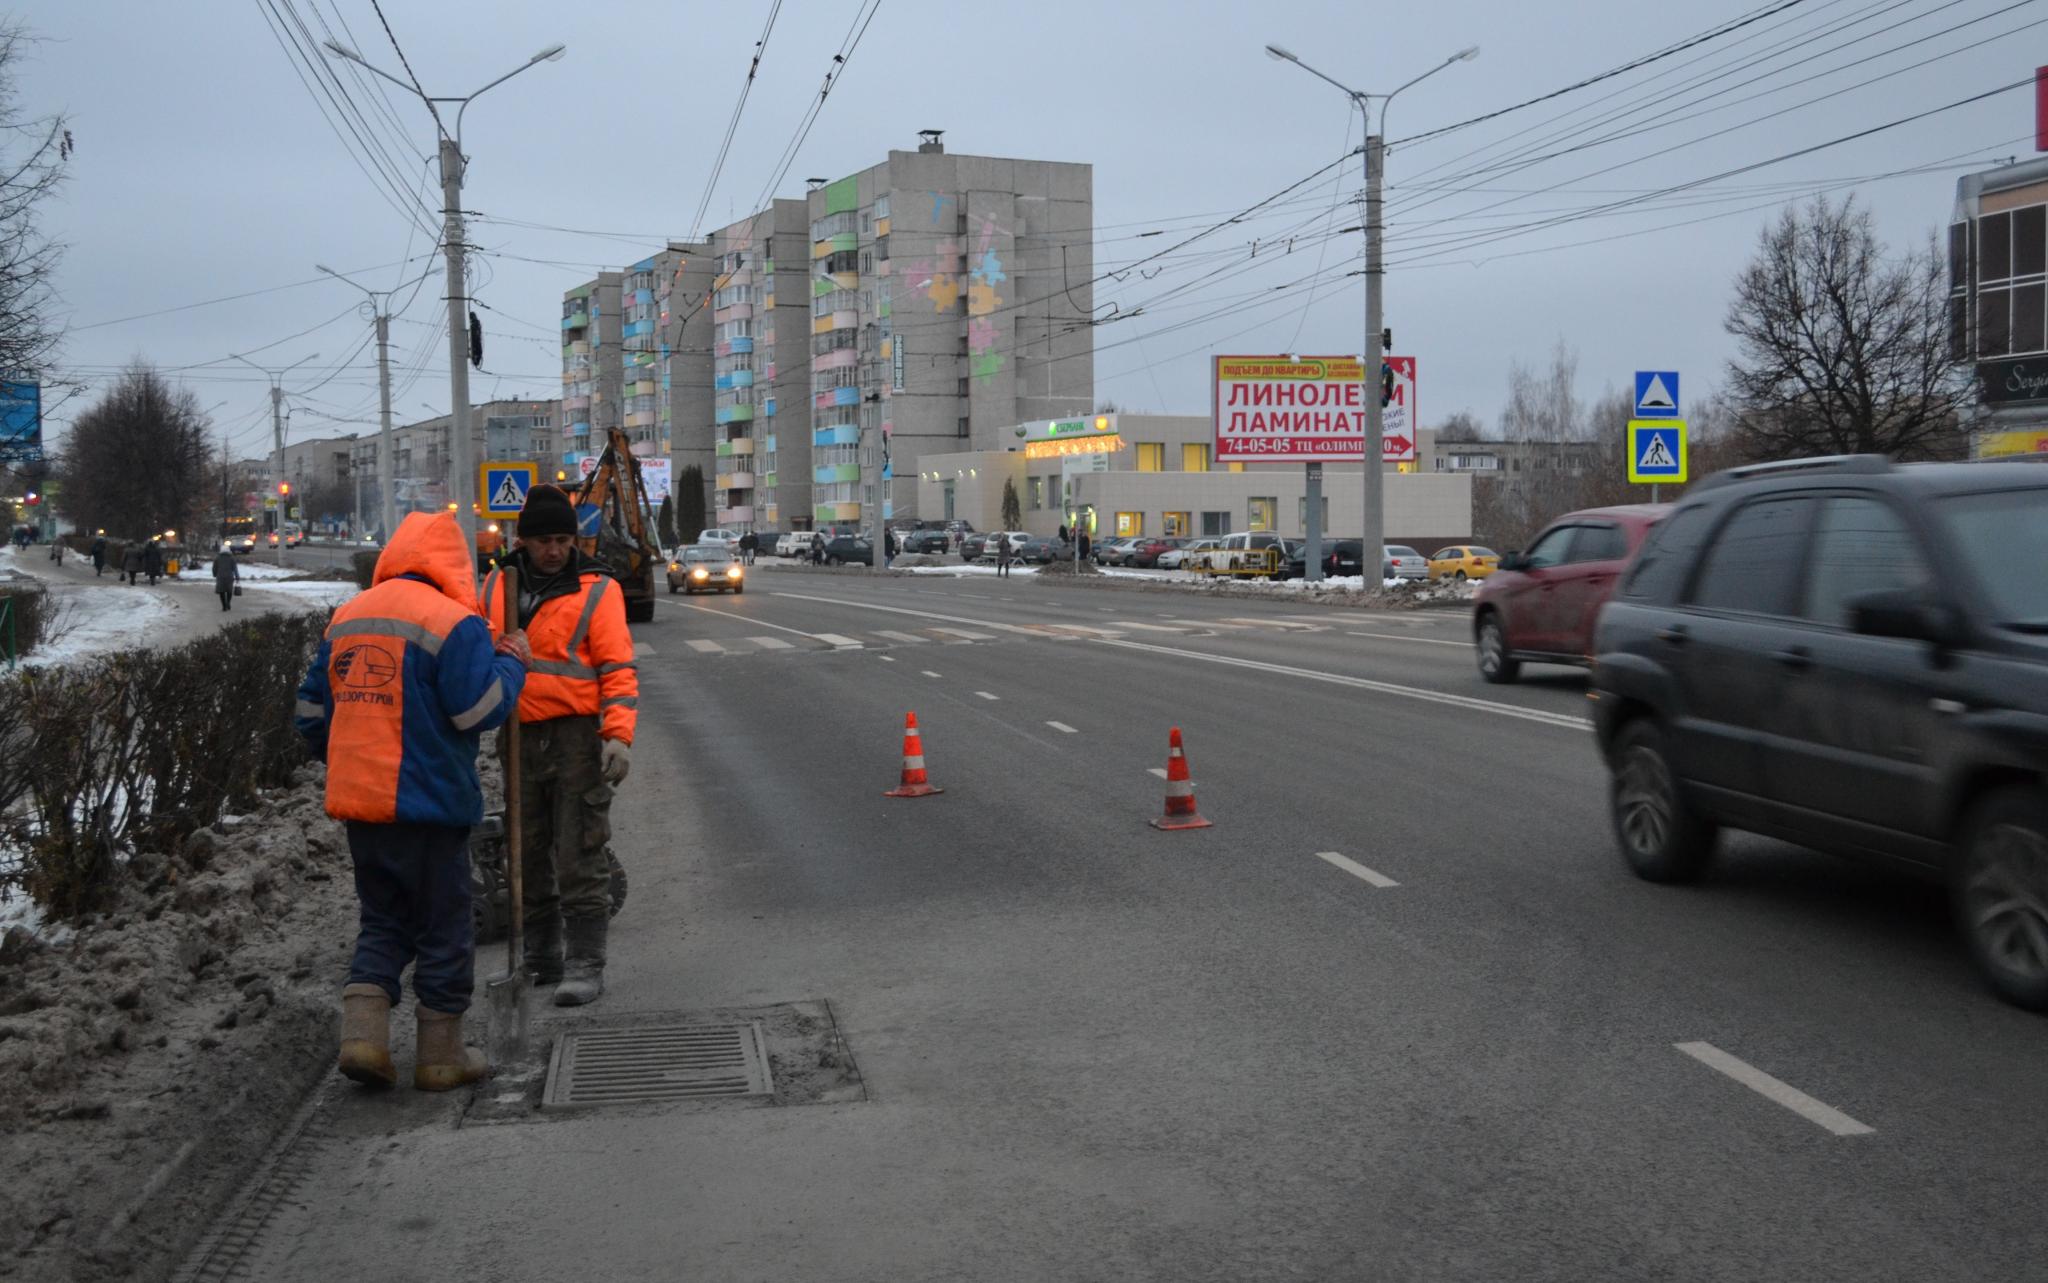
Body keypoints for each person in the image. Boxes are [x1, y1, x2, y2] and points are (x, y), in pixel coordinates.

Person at [294, 511, 529, 1091]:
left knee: (383, 918)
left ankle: (363, 1038)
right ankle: (441, 1056)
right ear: (454, 564)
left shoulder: (349, 616)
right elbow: (476, 710)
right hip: (431, 805)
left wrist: (352, 755)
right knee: (443, 925)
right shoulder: (453, 621)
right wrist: (511, 663)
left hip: (362, 806)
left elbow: (311, 714)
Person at [480, 484, 637, 1007]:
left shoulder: (597, 588)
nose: (554, 550)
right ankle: (540, 957)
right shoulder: (497, 584)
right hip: (518, 733)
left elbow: (617, 667)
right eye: (544, 540)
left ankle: (585, 963)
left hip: (576, 736)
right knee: (526, 849)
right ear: (522, 541)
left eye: (563, 540)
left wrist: (617, 735)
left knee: (579, 849)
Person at [212, 542, 239, 611]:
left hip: (220, 577)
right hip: (229, 577)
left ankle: (224, 606)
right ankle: (228, 602)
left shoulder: (217, 558)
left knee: (222, 591)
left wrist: (214, 574)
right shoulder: (231, 558)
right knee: (229, 591)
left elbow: (214, 567)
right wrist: (237, 576)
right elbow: (235, 568)